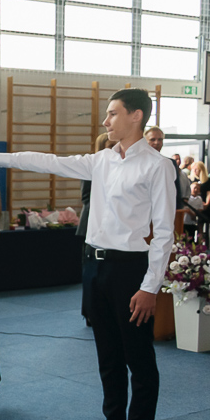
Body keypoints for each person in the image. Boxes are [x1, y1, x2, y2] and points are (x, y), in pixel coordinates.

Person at [0, 89, 175, 420]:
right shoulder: (102, 160)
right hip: (95, 267)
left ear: (136, 116)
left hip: (129, 271)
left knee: (138, 361)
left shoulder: (157, 167)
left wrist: (149, 286)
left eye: (112, 114)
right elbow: (47, 162)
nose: (105, 122)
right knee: (107, 358)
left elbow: (164, 235)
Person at [79, 133, 116, 326]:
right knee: (90, 273)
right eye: (110, 146)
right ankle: (89, 312)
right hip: (91, 226)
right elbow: (86, 198)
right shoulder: (93, 166)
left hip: (111, 229)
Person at [146, 126, 190, 204]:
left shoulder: (171, 163)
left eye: (160, 139)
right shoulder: (138, 163)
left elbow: (176, 189)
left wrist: (178, 209)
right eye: (152, 139)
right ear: (145, 141)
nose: (157, 142)